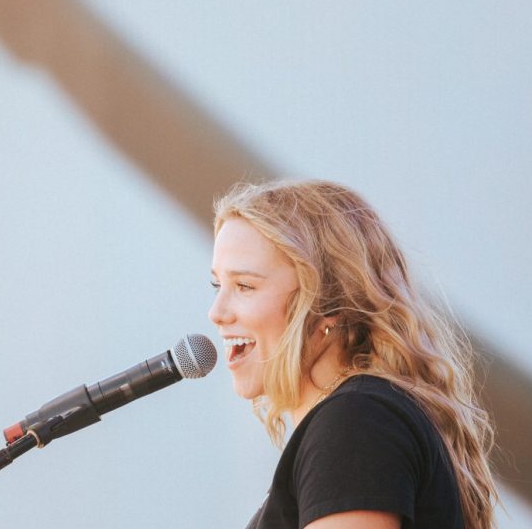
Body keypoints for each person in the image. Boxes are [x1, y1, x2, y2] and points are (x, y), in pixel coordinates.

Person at [207, 180, 498, 529]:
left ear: (327, 304)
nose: (216, 312)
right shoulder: (357, 420)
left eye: (244, 286)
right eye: (217, 285)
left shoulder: (354, 425)